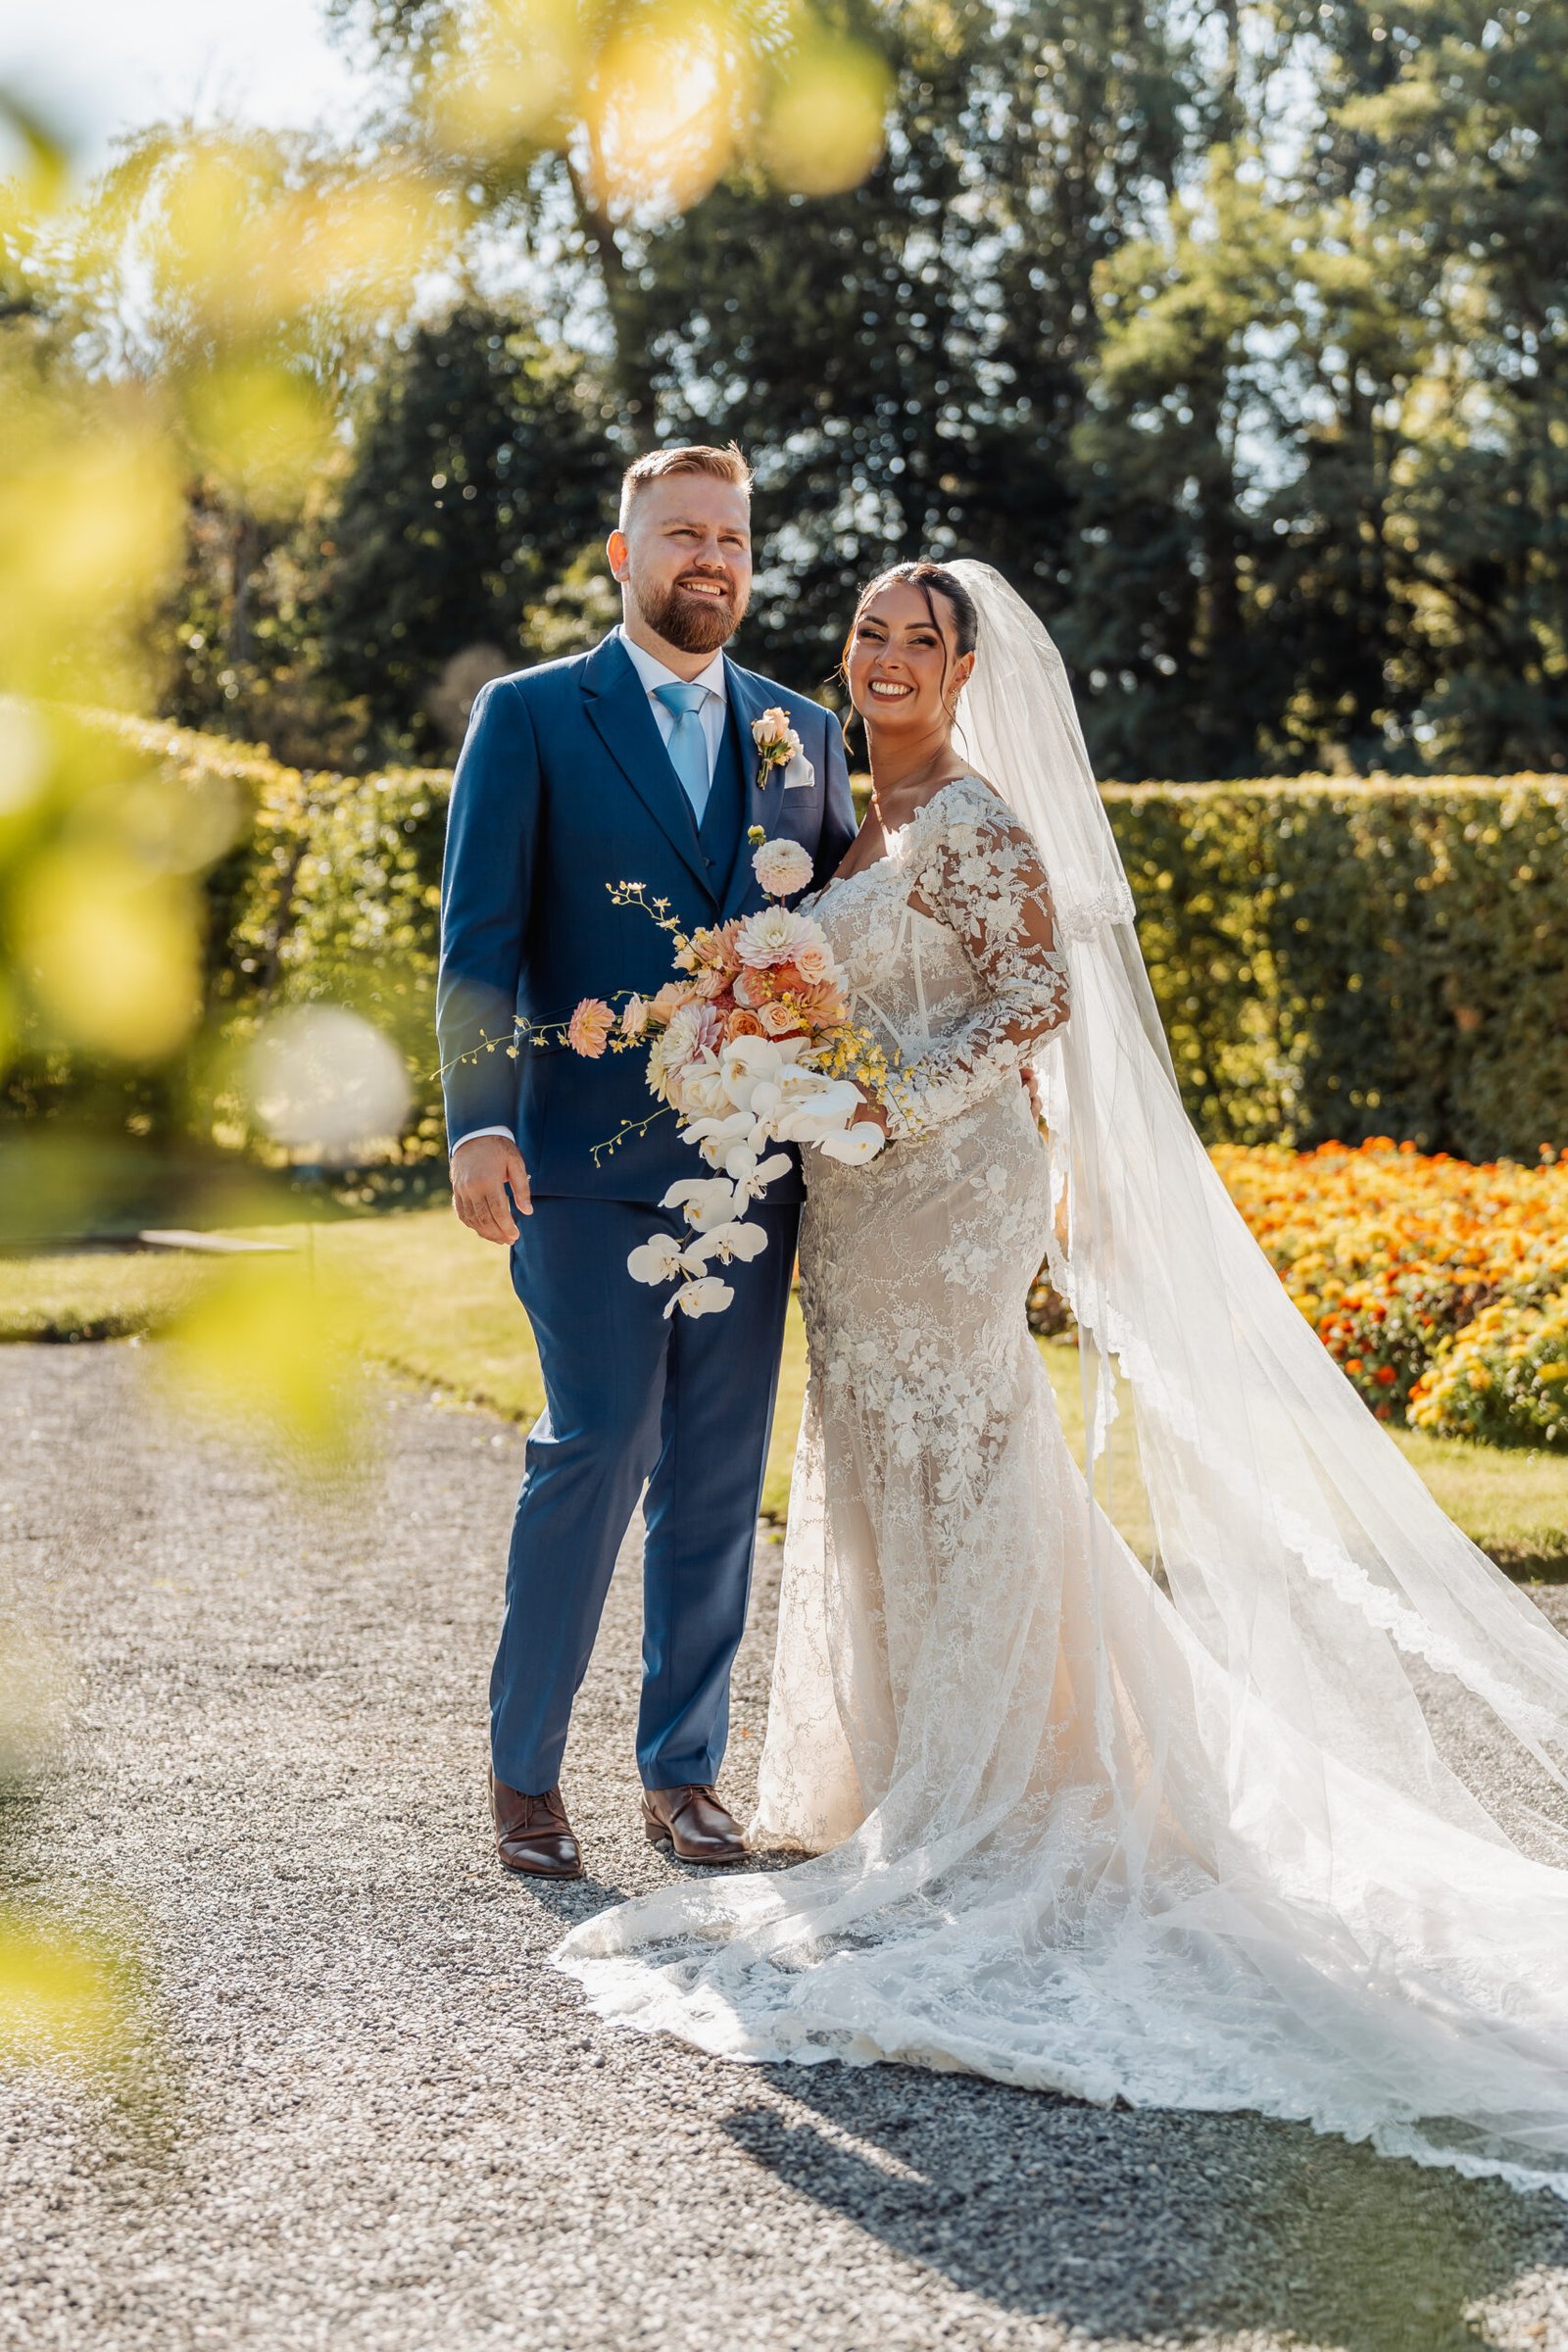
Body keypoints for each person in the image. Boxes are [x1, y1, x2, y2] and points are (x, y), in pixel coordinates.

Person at [559, 559, 1568, 2201]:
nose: (891, 658)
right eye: (873, 634)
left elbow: (1037, 1001)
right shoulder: (835, 822)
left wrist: (895, 1107)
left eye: (923, 640)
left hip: (950, 1190)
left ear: (967, 671)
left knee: (966, 1455)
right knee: (872, 1456)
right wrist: (767, 1064)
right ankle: (904, 1765)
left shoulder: (975, 821)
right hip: (851, 1201)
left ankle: (1006, 1785)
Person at [436, 443, 856, 1879]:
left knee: (721, 1476)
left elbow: (835, 949)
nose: (711, 562)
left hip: (753, 1169)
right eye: (682, 536)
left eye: (730, 538)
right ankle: (525, 1774)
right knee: (599, 1443)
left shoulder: (804, 732)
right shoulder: (531, 715)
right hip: (582, 1156)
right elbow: (480, 939)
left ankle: (682, 1773)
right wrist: (479, 1120)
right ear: (624, 556)